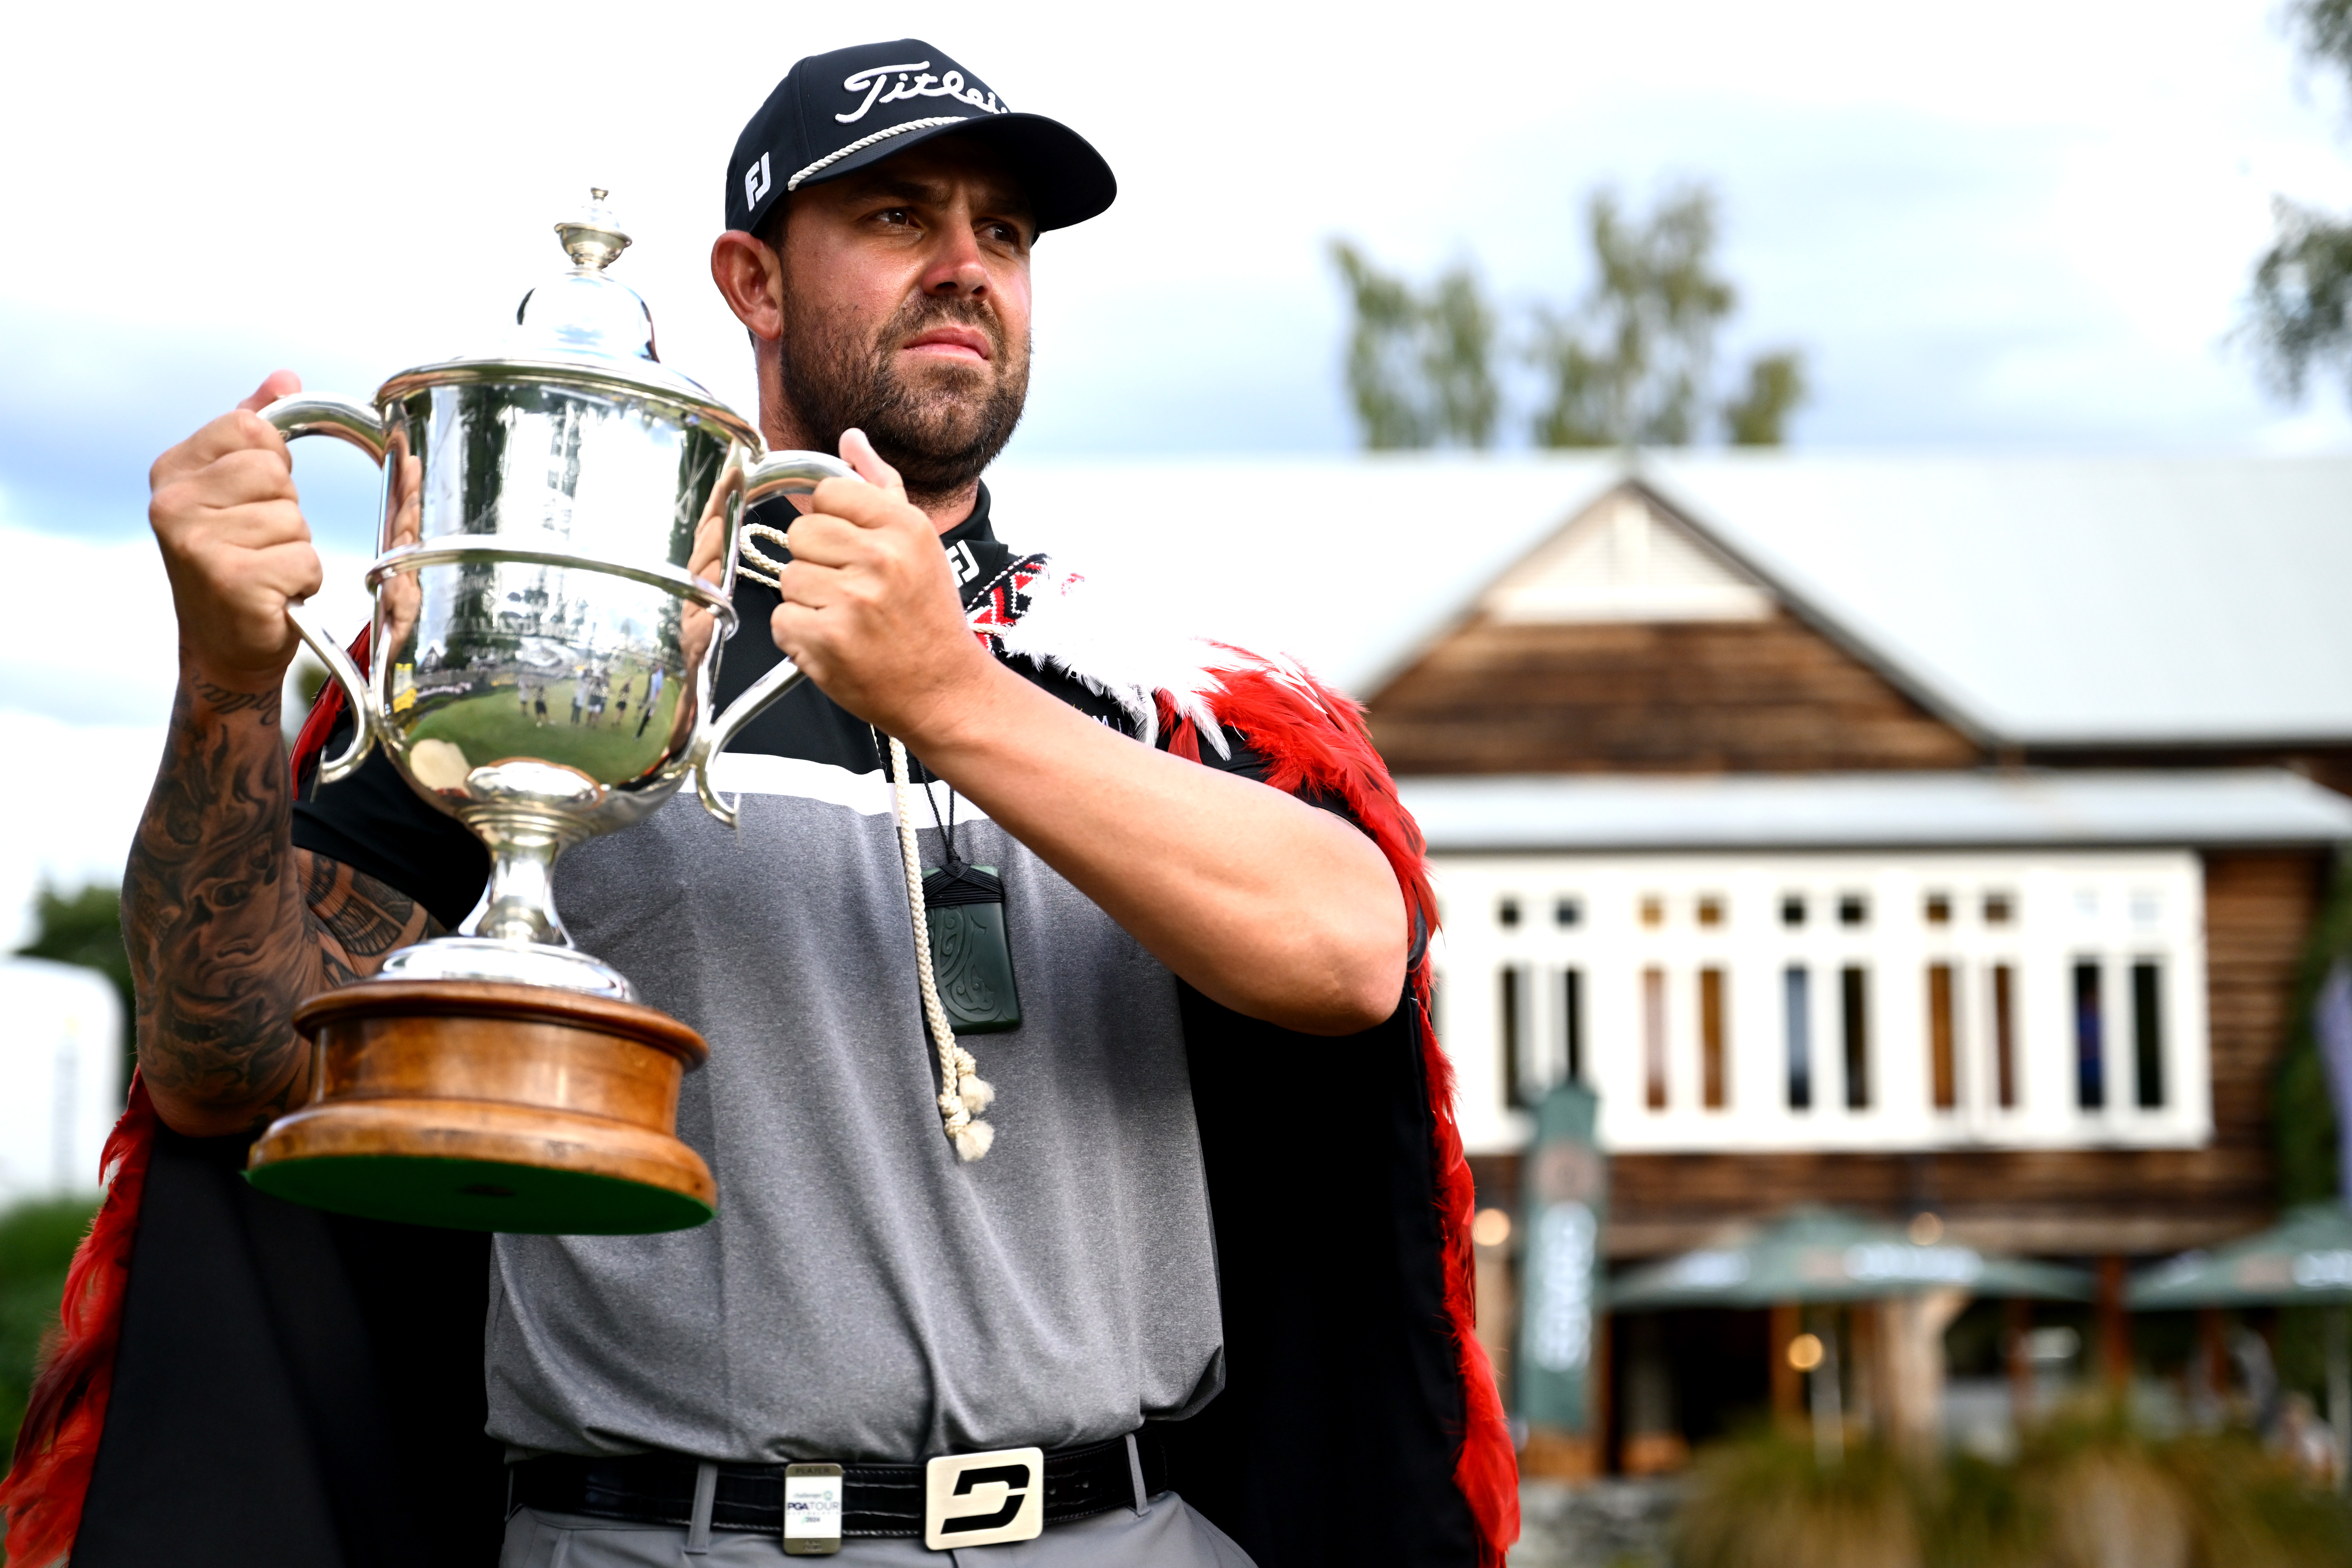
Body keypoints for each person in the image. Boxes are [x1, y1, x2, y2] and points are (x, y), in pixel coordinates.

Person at [1, 39, 1513, 1568]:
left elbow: (1348, 959)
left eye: (1005, 234)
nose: (966, 267)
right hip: (668, 1538)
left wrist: (949, 695)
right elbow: (227, 1071)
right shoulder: (566, 647)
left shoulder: (1143, 681)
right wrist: (219, 681)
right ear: (754, 281)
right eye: (898, 217)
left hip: (1123, 1532)